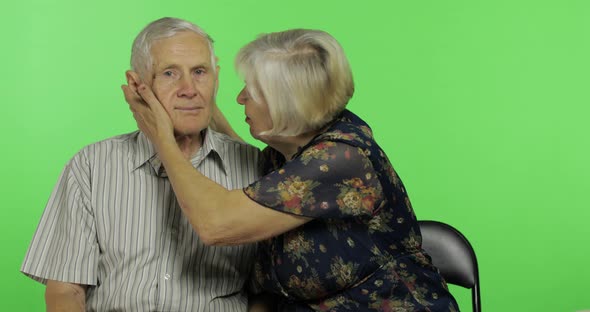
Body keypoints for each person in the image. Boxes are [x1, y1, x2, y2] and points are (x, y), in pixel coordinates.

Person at [124, 29, 460, 311]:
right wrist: (198, 91)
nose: (239, 98)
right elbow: (275, 183)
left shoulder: (341, 158)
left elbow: (215, 224)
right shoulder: (290, 146)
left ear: (287, 106)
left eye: (251, 92)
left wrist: (160, 136)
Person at [21, 17, 263, 311]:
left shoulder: (256, 166)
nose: (189, 88)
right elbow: (65, 291)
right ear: (137, 85)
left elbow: (263, 292)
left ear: (216, 77)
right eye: (170, 73)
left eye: (200, 71)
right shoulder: (91, 166)